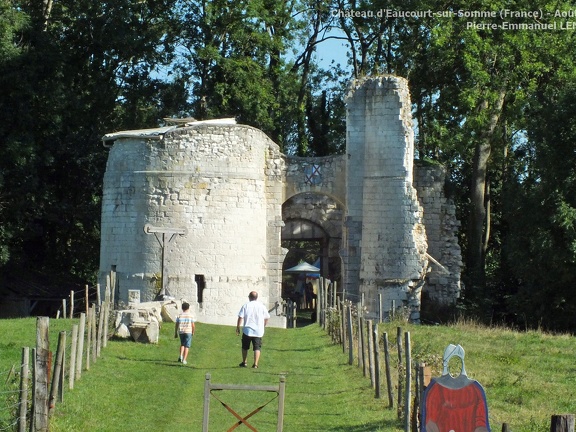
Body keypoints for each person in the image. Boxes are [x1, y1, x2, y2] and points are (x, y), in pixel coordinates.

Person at [236, 291, 270, 368]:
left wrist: (238, 326)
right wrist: (263, 325)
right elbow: (267, 317)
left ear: (249, 297)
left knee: (245, 347)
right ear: (256, 297)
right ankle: (255, 364)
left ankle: (244, 362)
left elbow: (240, 317)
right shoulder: (262, 306)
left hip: (247, 330)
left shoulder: (246, 306)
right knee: (257, 347)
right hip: (258, 331)